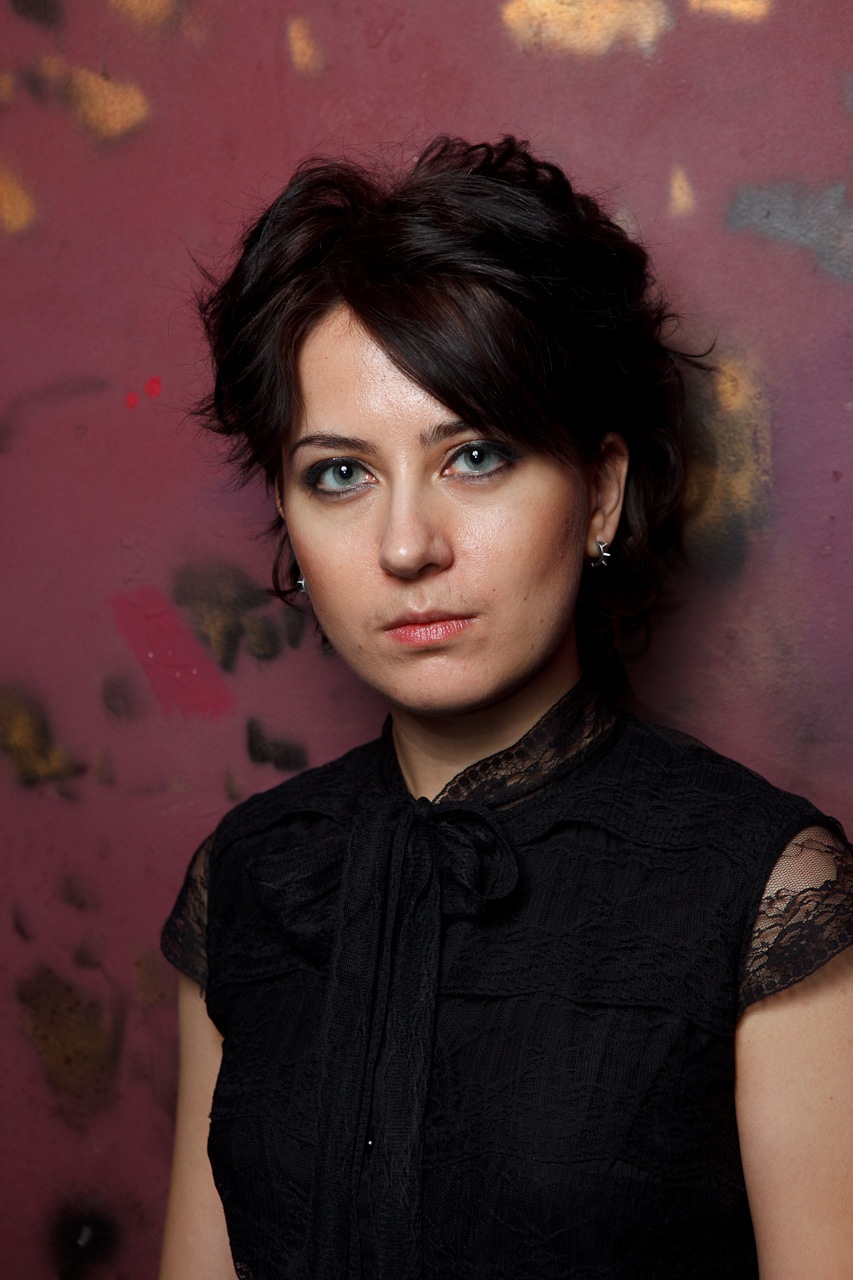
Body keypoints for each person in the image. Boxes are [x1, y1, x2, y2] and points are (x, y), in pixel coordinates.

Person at [158, 136, 853, 1280]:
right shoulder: (248, 875)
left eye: (475, 455)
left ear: (601, 492)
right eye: (339, 473)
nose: (405, 545)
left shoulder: (764, 887)